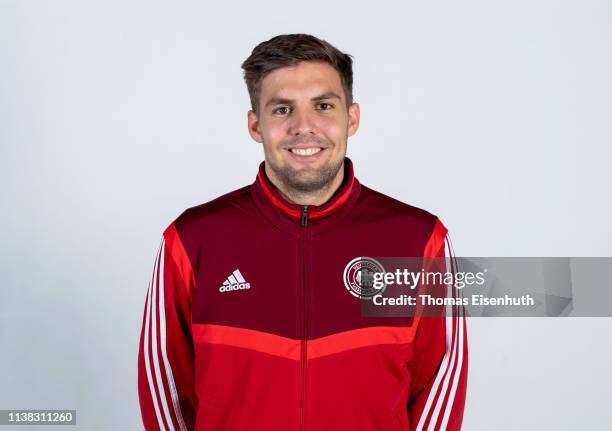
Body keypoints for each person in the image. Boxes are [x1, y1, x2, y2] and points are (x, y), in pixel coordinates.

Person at [137, 33, 468, 431]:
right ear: (255, 125)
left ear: (353, 117)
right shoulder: (192, 240)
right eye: (281, 110)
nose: (303, 127)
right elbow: (166, 385)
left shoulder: (418, 240)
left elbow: (440, 382)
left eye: (324, 106)